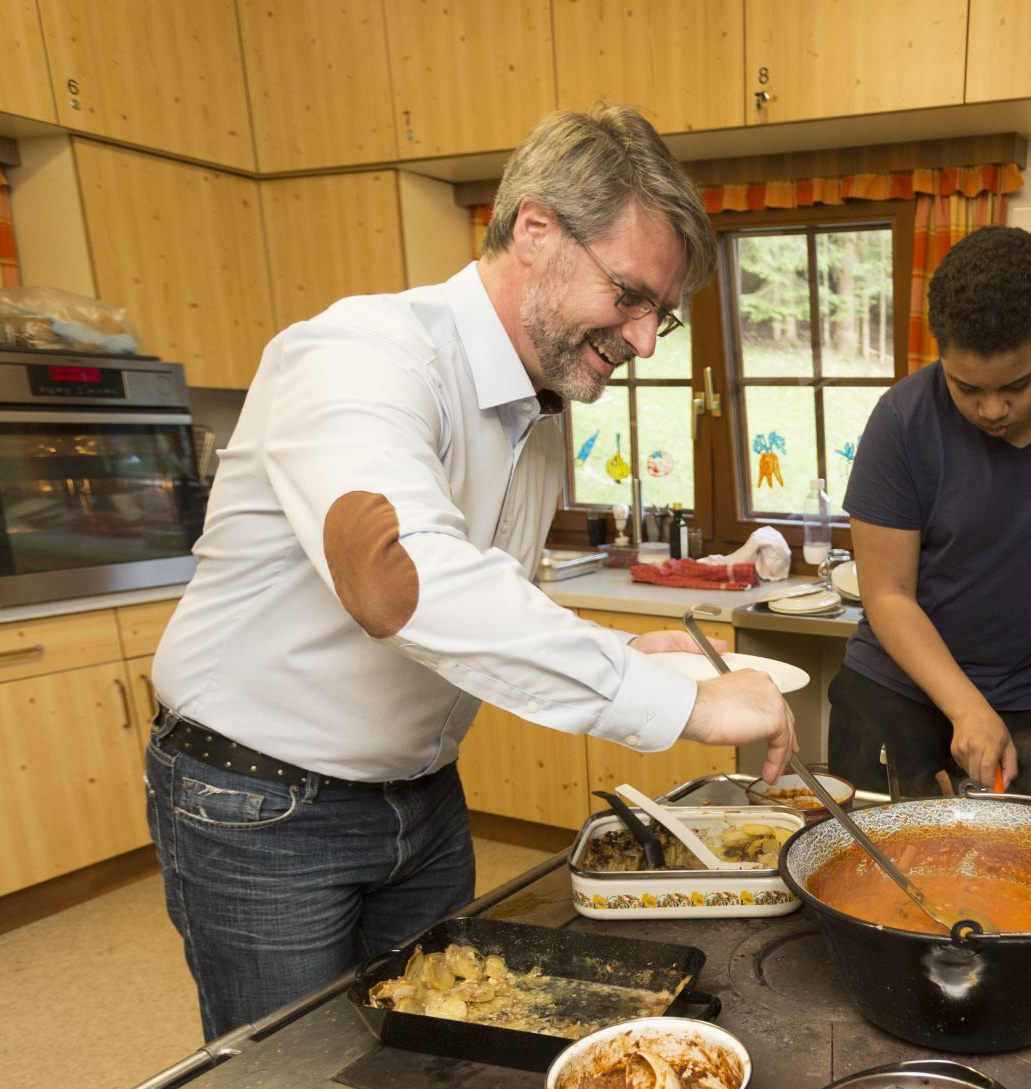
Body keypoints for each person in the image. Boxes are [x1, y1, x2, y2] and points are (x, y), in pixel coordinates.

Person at [147, 106, 797, 1040]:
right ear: (535, 230)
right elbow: (404, 584)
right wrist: (681, 703)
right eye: (630, 295)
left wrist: (621, 646)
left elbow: (488, 589)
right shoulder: (359, 356)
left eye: (663, 311)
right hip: (260, 803)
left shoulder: (536, 401)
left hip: (422, 798)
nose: (647, 340)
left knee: (429, 1063)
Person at [826, 226, 1031, 802]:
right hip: (894, 693)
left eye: (1016, 386)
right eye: (965, 387)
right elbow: (888, 595)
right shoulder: (902, 421)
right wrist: (966, 707)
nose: (992, 410)